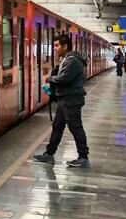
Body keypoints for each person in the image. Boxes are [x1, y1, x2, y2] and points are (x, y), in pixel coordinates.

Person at [33, 34, 90, 168]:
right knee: (57, 126)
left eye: (57, 45)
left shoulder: (73, 60)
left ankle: (83, 157)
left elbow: (64, 78)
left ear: (65, 46)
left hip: (71, 99)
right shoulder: (67, 59)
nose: (54, 48)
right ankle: (49, 154)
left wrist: (49, 79)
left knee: (76, 128)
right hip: (65, 98)